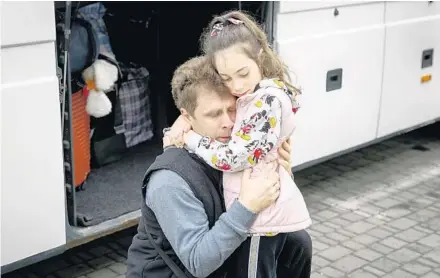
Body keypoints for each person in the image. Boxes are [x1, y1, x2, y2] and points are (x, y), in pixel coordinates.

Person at [125, 56, 312, 278]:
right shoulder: (169, 181)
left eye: (233, 110)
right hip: (184, 271)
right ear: (187, 116)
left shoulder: (235, 150)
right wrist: (247, 207)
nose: (229, 122)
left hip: (220, 264)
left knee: (298, 243)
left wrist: (282, 172)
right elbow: (198, 263)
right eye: (214, 114)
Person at [165, 10, 312, 278]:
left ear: (259, 57)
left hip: (260, 221)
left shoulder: (265, 101)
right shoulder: (259, 94)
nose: (236, 85)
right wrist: (183, 122)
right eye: (226, 78)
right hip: (258, 217)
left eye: (242, 73)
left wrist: (189, 137)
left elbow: (232, 157)